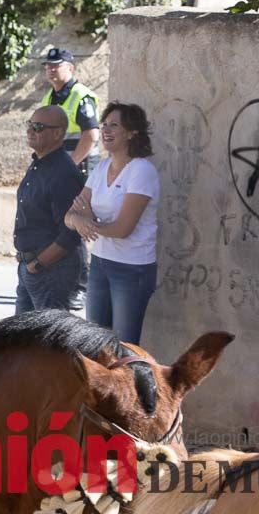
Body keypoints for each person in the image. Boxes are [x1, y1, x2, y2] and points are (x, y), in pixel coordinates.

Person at [65, 102, 159, 344]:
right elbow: (69, 217)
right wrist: (79, 218)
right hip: (100, 263)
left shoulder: (142, 170)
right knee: (94, 344)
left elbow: (123, 229)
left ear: (132, 132)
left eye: (114, 125)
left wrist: (87, 222)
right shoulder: (102, 167)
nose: (105, 130)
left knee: (123, 347)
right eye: (104, 124)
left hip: (132, 270)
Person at [40, 46, 100, 311]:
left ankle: (80, 287)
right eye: (48, 66)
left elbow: (91, 136)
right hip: (59, 171)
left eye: (57, 65)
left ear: (71, 67)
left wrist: (68, 165)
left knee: (74, 227)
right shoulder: (50, 97)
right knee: (59, 225)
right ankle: (63, 281)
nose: (51, 69)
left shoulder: (81, 96)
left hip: (78, 170)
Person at [13, 105, 86, 313]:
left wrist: (38, 264)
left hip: (50, 272)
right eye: (29, 125)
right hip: (30, 267)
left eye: (38, 127)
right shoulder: (39, 163)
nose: (30, 131)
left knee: (47, 343)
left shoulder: (63, 173)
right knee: (19, 339)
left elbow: (69, 234)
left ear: (57, 133)